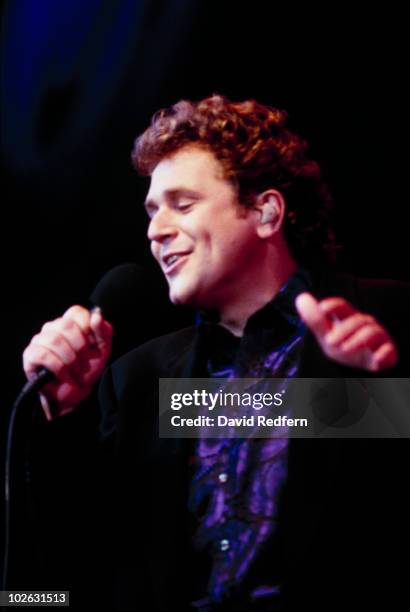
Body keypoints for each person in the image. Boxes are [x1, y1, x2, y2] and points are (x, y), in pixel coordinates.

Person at [22, 95, 409, 611]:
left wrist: (380, 391)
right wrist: (60, 413)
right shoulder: (139, 380)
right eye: (153, 211)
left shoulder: (391, 318)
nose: (155, 231)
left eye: (182, 204)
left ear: (266, 211)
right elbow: (73, 571)